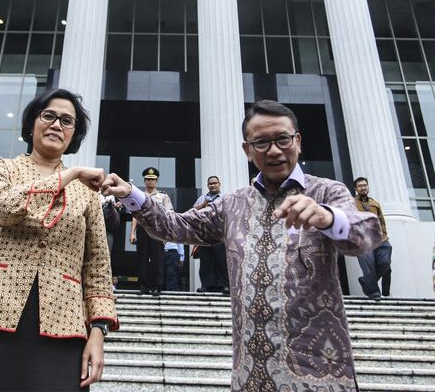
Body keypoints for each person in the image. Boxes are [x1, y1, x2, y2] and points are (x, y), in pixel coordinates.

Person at [102, 99, 382, 391]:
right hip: (251, 376)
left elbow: (367, 233)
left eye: (282, 139)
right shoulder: (233, 204)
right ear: (247, 150)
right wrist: (131, 195)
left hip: (319, 375)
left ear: (298, 141)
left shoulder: (326, 191)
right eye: (261, 142)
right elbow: (177, 225)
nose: (273, 150)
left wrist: (327, 217)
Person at [0, 88, 118, 392]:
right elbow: (6, 208)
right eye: (49, 116)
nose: (57, 125)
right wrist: (69, 175)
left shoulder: (88, 193)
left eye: (67, 121)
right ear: (32, 122)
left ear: (74, 134)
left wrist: (98, 331)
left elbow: (97, 266)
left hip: (63, 318)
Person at [129, 167, 172, 296]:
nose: (150, 182)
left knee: (157, 258)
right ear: (144, 181)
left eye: (152, 179)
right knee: (142, 257)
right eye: (147, 179)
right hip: (143, 229)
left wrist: (166, 233)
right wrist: (132, 232)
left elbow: (169, 214)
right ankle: (144, 285)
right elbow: (135, 215)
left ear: (157, 181)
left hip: (157, 230)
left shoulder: (163, 196)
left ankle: (157, 286)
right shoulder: (139, 195)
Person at [354, 177, 392, 300]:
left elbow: (382, 222)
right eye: (360, 186)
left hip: (380, 240)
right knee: (368, 265)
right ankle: (374, 293)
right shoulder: (351, 203)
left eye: (365, 185)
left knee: (385, 262)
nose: (363, 187)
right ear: (356, 189)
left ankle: (367, 281)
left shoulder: (375, 203)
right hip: (362, 241)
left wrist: (384, 237)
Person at [193, 176, 230, 294]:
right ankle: (206, 285)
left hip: (220, 233)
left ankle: (224, 285)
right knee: (205, 260)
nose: (213, 185)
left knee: (221, 259)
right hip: (205, 233)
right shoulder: (202, 198)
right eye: (210, 184)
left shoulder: (225, 198)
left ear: (219, 184)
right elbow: (193, 212)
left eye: (215, 183)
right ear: (207, 185)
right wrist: (204, 205)